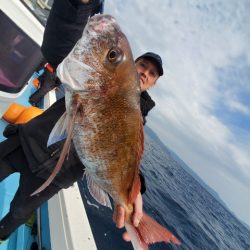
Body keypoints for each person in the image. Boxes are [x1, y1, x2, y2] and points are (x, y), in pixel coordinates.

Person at [0, 0, 164, 243]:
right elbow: (59, 48)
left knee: (16, 216)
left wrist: (133, 189)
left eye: (152, 74)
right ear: (131, 67)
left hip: (54, 178)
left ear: (152, 84)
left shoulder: (136, 119)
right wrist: (79, 5)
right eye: (142, 65)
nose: (145, 73)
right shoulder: (96, 79)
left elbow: (124, 152)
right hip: (28, 142)